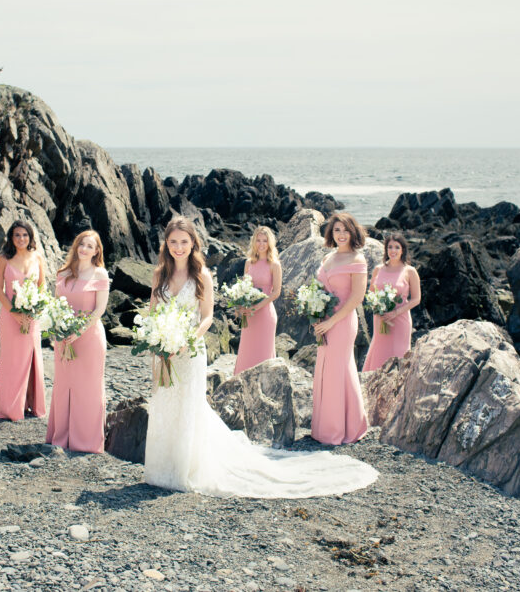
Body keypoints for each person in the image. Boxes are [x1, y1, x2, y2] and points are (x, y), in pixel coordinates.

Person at [143, 216, 378, 498]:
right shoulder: (159, 274)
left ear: (193, 243)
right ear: (166, 244)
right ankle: (162, 466)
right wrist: (157, 338)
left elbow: (206, 317)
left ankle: (185, 467)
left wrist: (189, 339)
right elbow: (154, 311)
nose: (178, 247)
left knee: (188, 406)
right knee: (165, 403)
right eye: (173, 242)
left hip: (189, 350)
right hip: (164, 350)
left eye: (184, 241)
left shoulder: (201, 275)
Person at [45, 230, 110, 453]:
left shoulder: (100, 274)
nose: (84, 249)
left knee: (88, 388)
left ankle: (87, 441)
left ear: (96, 251)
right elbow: (55, 304)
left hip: (89, 338)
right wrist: (57, 330)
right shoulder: (63, 273)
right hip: (64, 337)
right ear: (76, 246)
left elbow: (99, 310)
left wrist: (78, 331)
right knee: (64, 386)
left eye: (90, 246)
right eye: (81, 244)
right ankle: (61, 436)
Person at [312, 212, 371, 445]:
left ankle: (337, 431)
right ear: (331, 233)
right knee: (331, 370)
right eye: (337, 230)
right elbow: (319, 291)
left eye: (345, 230)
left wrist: (331, 321)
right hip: (325, 321)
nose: (341, 234)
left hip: (343, 322)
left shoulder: (357, 260)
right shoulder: (328, 258)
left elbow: (357, 297)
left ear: (353, 232)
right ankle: (338, 426)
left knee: (337, 371)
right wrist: (315, 315)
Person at [0, 220, 47, 420]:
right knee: (12, 359)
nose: (21, 239)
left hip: (31, 317)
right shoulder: (4, 259)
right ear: (11, 238)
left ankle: (31, 403)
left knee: (31, 357)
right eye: (17, 235)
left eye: (25, 235)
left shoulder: (37, 257)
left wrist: (33, 310)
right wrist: (16, 313)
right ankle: (10, 407)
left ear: (30, 237)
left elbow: (42, 287)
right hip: (10, 316)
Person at [363, 234, 420, 372]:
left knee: (399, 356)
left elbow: (416, 299)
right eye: (390, 247)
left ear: (402, 250)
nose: (393, 250)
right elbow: (370, 293)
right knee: (379, 354)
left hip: (400, 320)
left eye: (396, 247)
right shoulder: (378, 269)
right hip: (381, 319)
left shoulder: (409, 271)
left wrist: (395, 313)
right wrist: (378, 308)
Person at [234, 226, 282, 375]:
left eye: (265, 241)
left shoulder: (275, 264)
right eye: (258, 240)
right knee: (246, 352)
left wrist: (256, 308)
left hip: (265, 315)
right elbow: (244, 287)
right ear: (254, 242)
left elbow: (276, 292)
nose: (261, 244)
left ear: (270, 243)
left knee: (264, 354)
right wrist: (239, 307)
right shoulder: (249, 263)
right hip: (248, 315)